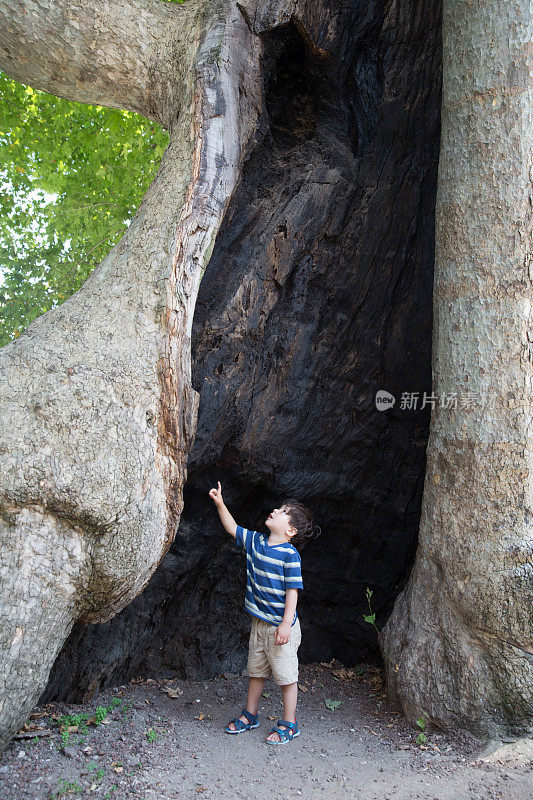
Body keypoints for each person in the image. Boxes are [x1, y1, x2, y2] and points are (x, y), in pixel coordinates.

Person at [208, 481, 320, 744]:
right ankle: (250, 715)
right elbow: (233, 529)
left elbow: (293, 591)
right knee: (256, 671)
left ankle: (289, 724)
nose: (275, 510)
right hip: (259, 624)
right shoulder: (257, 543)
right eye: (279, 508)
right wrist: (221, 504)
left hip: (281, 627)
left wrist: (285, 625)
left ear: (290, 530)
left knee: (286, 676)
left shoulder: (289, 555)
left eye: (283, 512)